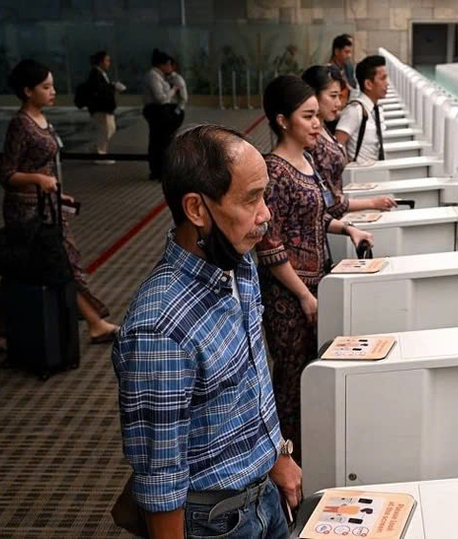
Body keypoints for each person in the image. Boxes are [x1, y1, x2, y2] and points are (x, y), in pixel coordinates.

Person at [111, 125, 301, 539]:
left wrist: (278, 455)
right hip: (214, 521)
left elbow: (254, 377)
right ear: (197, 210)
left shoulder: (237, 260)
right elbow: (160, 476)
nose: (266, 212)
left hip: (262, 494)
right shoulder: (160, 330)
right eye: (251, 198)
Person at [256, 75, 374, 461]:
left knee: (312, 377)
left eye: (315, 115)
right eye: (307, 117)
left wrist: (348, 227)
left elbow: (317, 213)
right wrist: (305, 294)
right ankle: (283, 463)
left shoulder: (305, 161)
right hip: (288, 296)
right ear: (281, 120)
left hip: (315, 286)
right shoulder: (273, 171)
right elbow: (269, 243)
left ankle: (308, 461)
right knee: (292, 382)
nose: (316, 123)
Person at [0, 59, 118, 352]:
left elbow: (45, 167)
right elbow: (5, 174)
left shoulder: (42, 119)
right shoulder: (20, 124)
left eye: (52, 85)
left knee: (28, 269)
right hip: (25, 210)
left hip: (47, 205)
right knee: (54, 264)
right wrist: (38, 180)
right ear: (27, 91)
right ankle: (95, 323)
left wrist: (57, 193)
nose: (53, 91)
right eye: (46, 86)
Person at [302, 64, 397, 215]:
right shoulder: (311, 139)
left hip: (334, 219)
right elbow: (326, 199)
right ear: (313, 95)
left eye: (339, 96)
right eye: (333, 96)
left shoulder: (323, 129)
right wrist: (372, 203)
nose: (338, 103)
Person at [335, 55, 389, 164]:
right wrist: (349, 170)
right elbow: (337, 146)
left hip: (376, 172)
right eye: (383, 78)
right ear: (368, 84)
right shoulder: (355, 110)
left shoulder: (376, 110)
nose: (387, 83)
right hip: (360, 176)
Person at [143, 48, 181, 180]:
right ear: (162, 64)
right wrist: (173, 90)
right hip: (156, 111)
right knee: (159, 141)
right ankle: (158, 171)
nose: (170, 67)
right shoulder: (153, 76)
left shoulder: (159, 76)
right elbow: (161, 98)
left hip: (160, 110)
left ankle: (160, 169)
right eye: (169, 64)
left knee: (161, 140)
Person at [86, 50, 124, 164]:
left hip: (104, 108)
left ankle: (96, 149)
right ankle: (100, 155)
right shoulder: (95, 74)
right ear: (101, 62)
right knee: (106, 130)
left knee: (109, 129)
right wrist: (112, 87)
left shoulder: (101, 74)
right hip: (101, 108)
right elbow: (100, 91)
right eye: (107, 61)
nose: (108, 63)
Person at [167, 56, 187, 128]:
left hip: (175, 110)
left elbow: (184, 98)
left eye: (168, 65)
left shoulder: (178, 79)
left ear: (173, 66)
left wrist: (176, 112)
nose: (166, 67)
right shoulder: (165, 78)